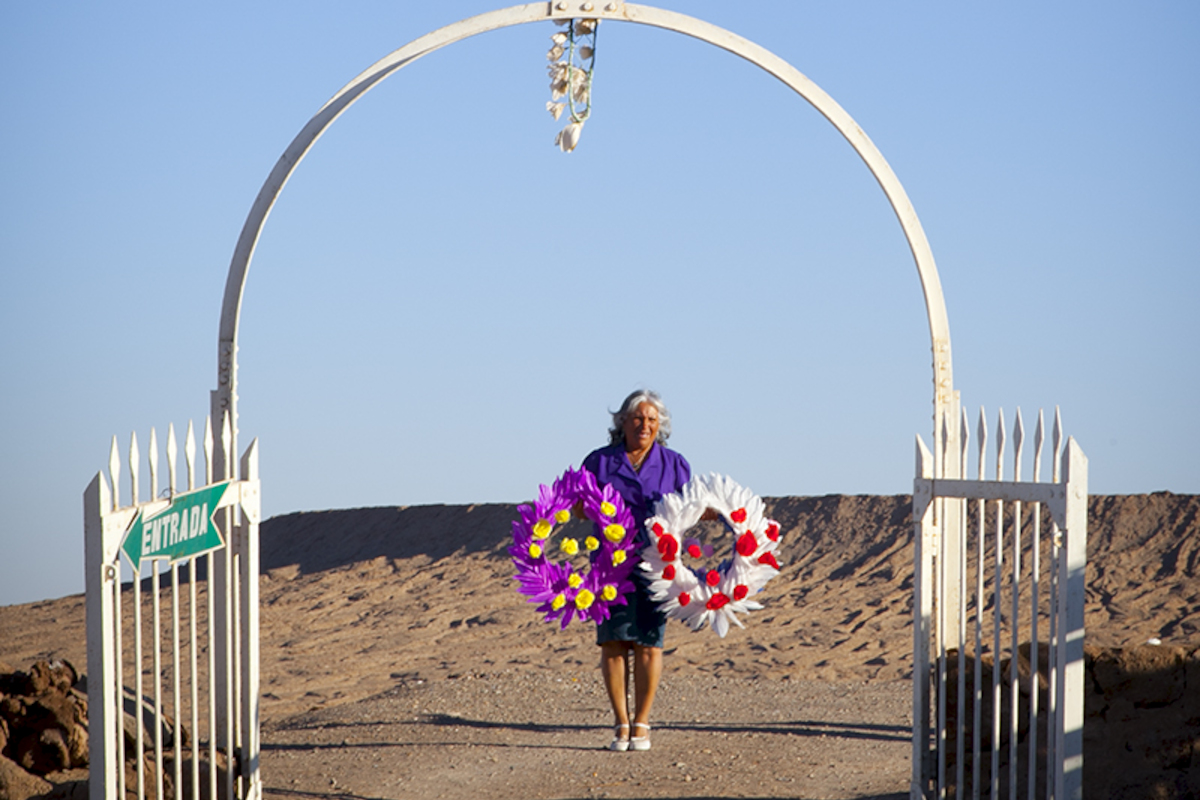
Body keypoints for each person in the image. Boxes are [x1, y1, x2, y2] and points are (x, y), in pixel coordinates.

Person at [582, 390, 691, 752]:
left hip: (656, 563)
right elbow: (576, 504)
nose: (645, 425)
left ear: (660, 426)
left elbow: (689, 509)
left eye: (652, 420)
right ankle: (621, 724)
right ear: (622, 422)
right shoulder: (599, 462)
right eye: (638, 418)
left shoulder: (675, 464)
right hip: (610, 565)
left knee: (648, 643)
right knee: (613, 643)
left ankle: (642, 723)